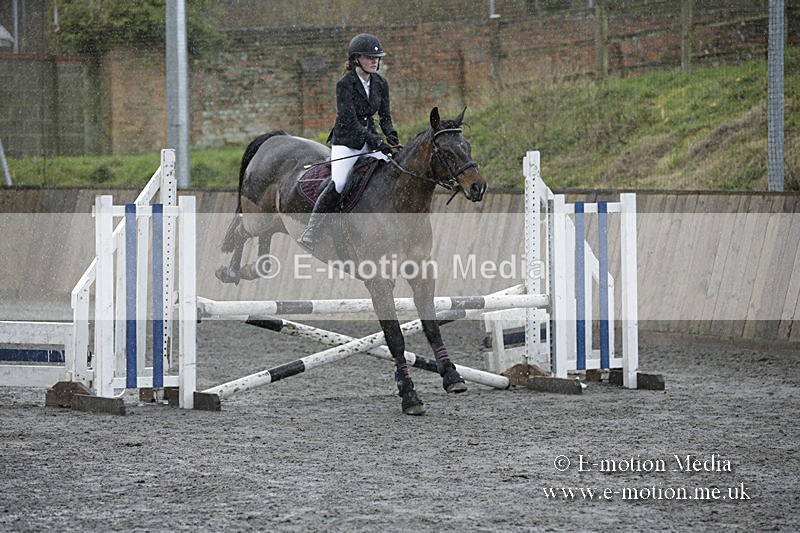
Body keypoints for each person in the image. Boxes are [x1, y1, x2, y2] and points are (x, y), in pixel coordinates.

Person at [298, 33, 399, 251]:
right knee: (340, 182)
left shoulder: (381, 83)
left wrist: (392, 137)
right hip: (346, 142)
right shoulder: (345, 84)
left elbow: (385, 116)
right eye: (369, 57)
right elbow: (350, 121)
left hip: (370, 140)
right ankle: (311, 230)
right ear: (356, 60)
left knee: (390, 171)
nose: (375, 61)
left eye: (377, 58)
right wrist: (376, 141)